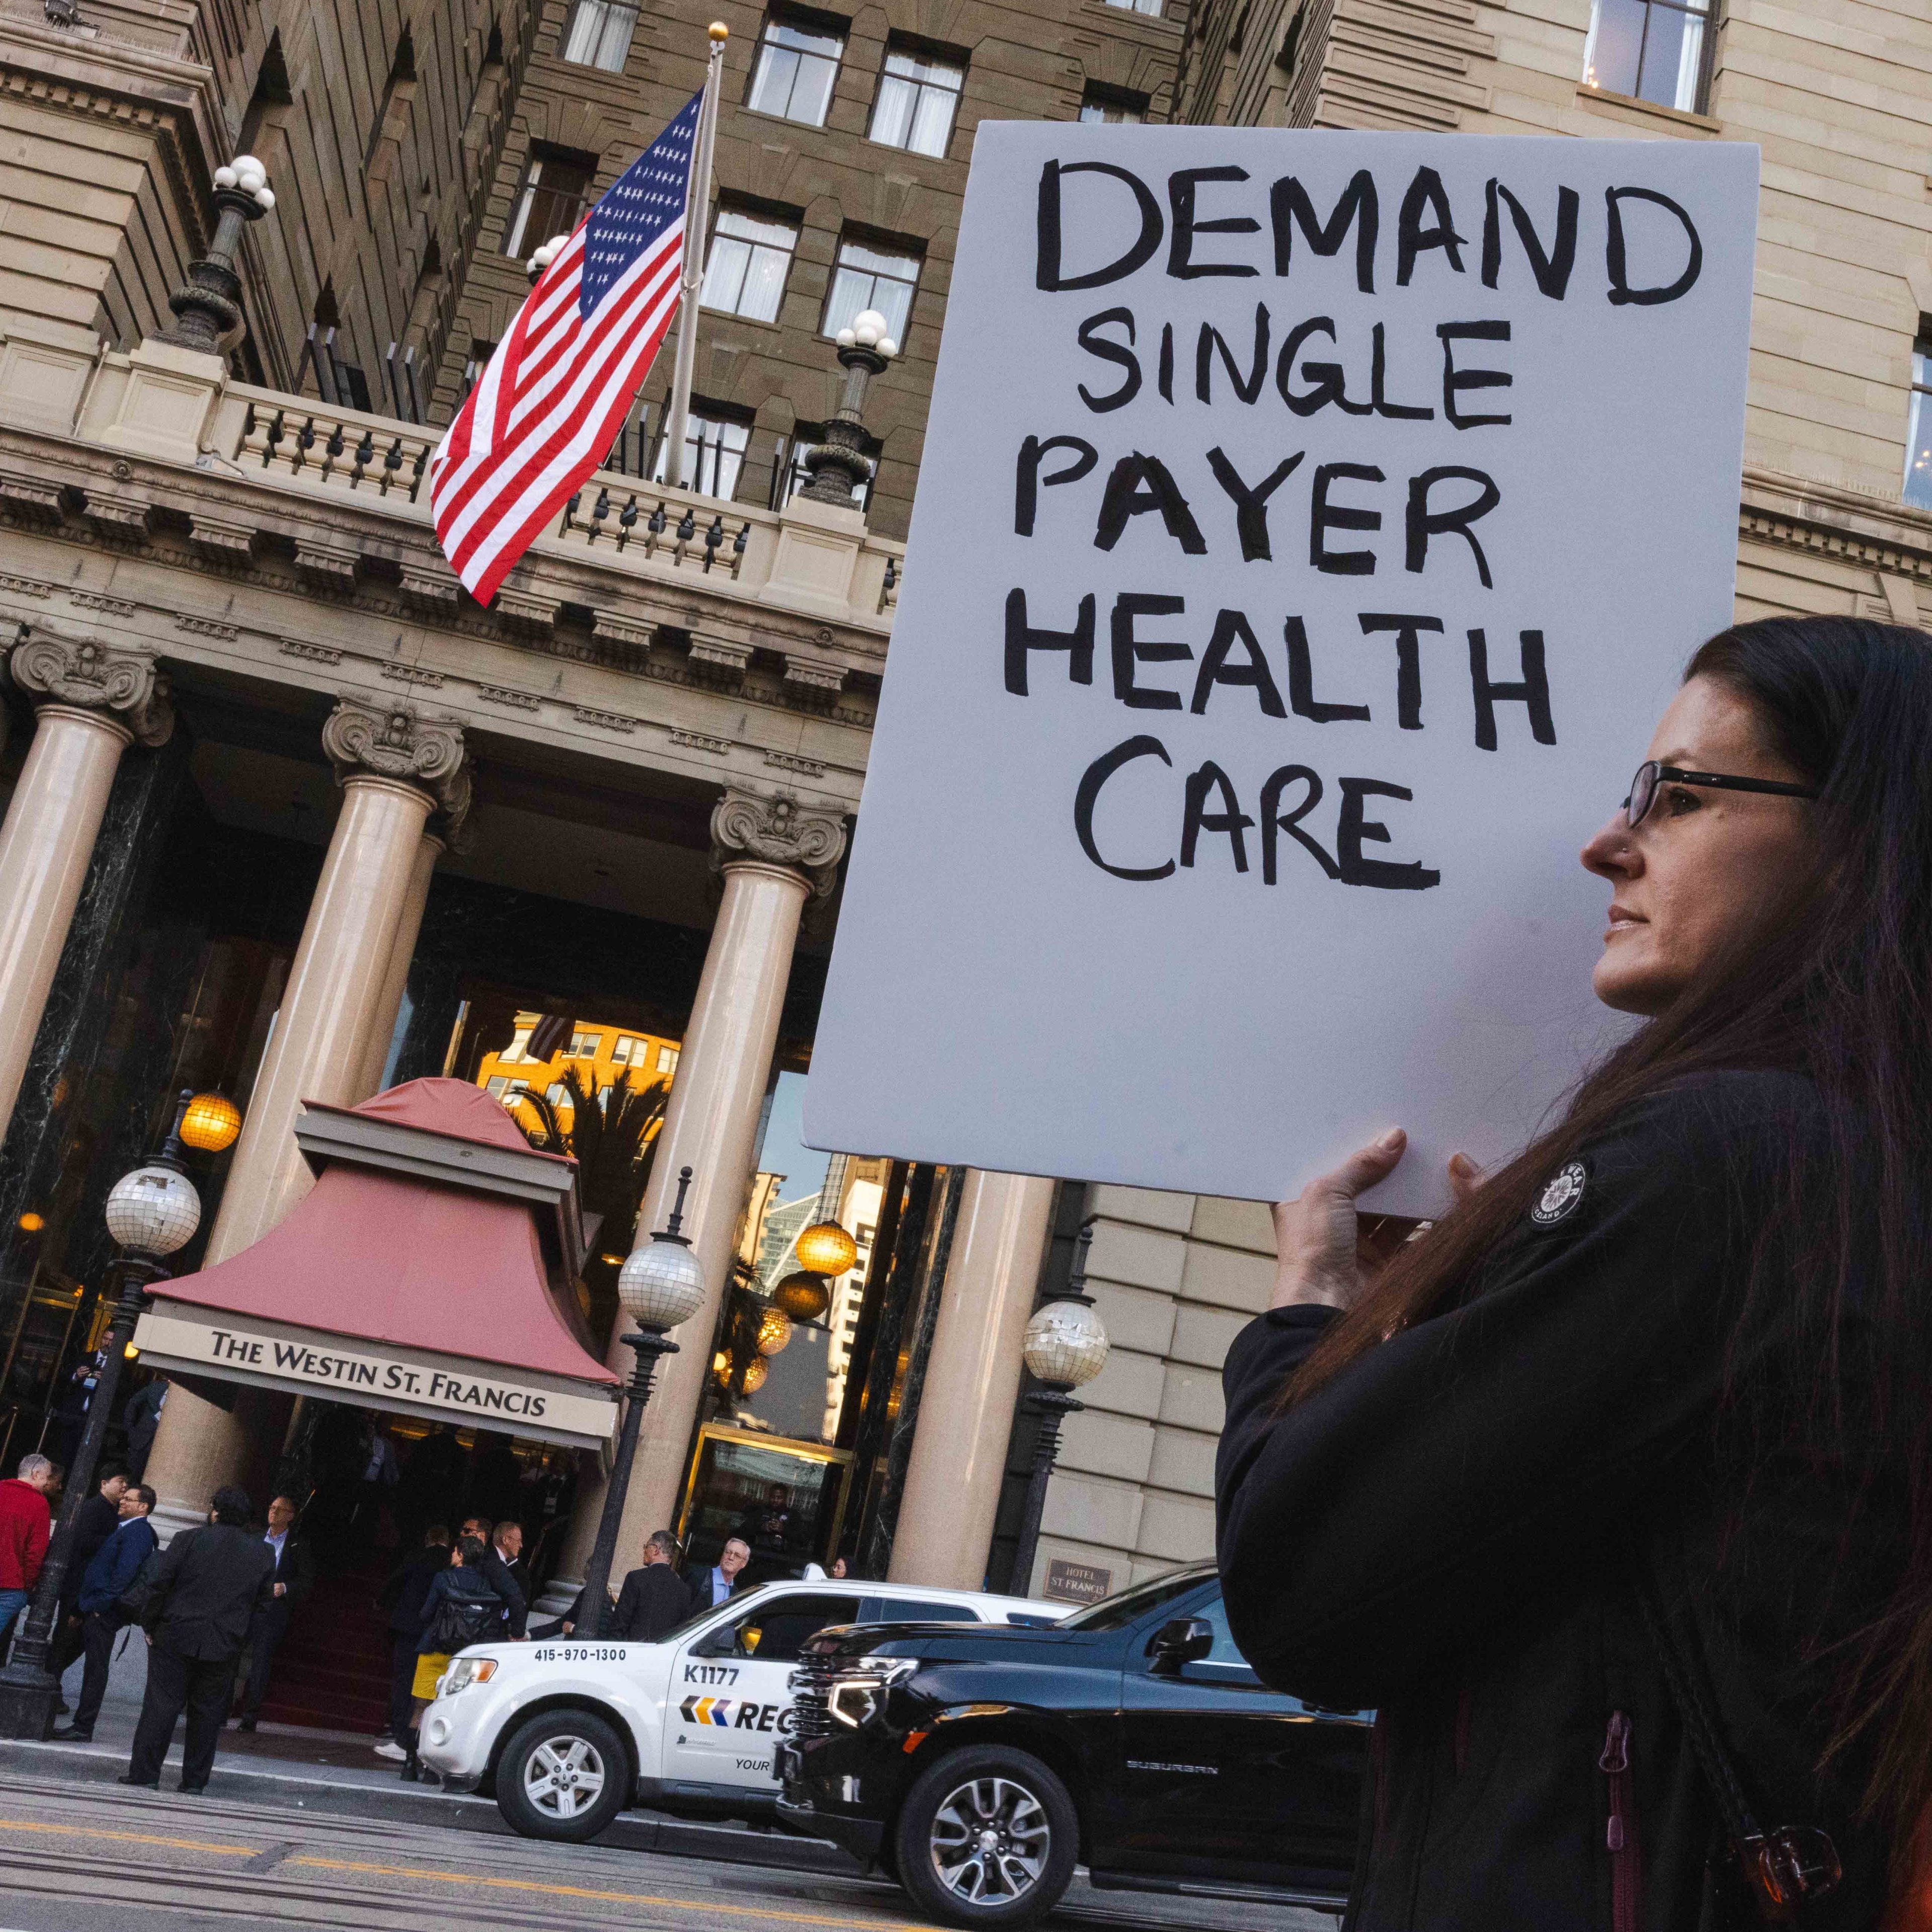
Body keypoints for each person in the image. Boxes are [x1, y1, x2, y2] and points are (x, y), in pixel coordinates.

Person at [1216, 616, 1931, 1930]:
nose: (1610, 842)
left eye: (1682, 794)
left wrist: (1309, 1311)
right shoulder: (1858, 1163)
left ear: (1858, 844)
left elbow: (1300, 1593)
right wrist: (1501, 1301)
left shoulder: (1726, 1159)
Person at [124, 1484, 275, 1793]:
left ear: (215, 1511)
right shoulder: (262, 1552)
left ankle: (145, 1774)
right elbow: (262, 1606)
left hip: (176, 1633)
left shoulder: (188, 1539)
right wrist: (240, 1640)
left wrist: (149, 1625)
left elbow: (160, 1586)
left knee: (160, 1706)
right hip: (223, 1643)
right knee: (207, 1715)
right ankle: (194, 1781)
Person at [52, 1482, 157, 1743]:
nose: (122, 1500)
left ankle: (83, 1726)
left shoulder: (139, 1532)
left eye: (129, 1499)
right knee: (59, 1655)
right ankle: (50, 1704)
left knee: (95, 1670)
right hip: (92, 1608)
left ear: (143, 1506)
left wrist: (100, 1608)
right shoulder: (128, 1529)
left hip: (103, 1612)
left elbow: (124, 1573)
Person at [402, 1534, 503, 1783]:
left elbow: (426, 1613)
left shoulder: (443, 1578)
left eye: (454, 1551)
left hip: (435, 1648)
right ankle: (434, 1771)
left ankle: (410, 1765)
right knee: (452, 1711)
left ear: (459, 1555)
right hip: (464, 1658)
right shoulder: (484, 1584)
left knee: (421, 1708)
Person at [234, 1493, 315, 1731]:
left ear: (291, 1516)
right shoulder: (255, 1537)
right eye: (271, 1508)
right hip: (245, 1606)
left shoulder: (298, 1545)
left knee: (260, 1664)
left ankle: (250, 1717)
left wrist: (286, 1587)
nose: (273, 1512)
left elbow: (306, 1580)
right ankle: (219, 1711)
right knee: (230, 1657)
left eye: (280, 1510)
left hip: (272, 1611)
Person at [373, 1523, 451, 1762]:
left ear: (428, 1539)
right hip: (437, 1633)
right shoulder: (451, 1561)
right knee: (428, 1687)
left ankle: (400, 1733)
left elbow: (396, 1580)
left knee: (404, 1681)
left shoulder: (417, 1555)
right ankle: (419, 1737)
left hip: (409, 1627)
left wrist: (383, 1602)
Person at [49, 1468, 127, 1690]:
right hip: (77, 1585)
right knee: (66, 1637)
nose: (124, 1486)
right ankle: (51, 1683)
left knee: (77, 1639)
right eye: (120, 1480)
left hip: (89, 1588)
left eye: (126, 1483)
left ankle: (50, 1677)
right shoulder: (94, 1508)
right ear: (104, 1483)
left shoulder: (113, 1512)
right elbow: (84, 1542)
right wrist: (116, 1542)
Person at [0, 1453, 54, 1648]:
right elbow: (36, 1553)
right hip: (10, 1584)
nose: (47, 1483)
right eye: (47, 1477)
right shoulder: (38, 1503)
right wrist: (28, 1585)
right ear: (36, 1474)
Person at [608, 1532, 693, 1642]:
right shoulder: (684, 1589)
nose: (644, 1550)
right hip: (663, 1655)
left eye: (646, 1547)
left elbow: (619, 1623)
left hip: (633, 1651)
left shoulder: (636, 1578)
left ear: (656, 1550)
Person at [477, 1518, 528, 1641]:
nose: (521, 1545)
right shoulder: (493, 1563)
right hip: (484, 1631)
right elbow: (515, 1596)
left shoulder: (488, 1557)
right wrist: (518, 1633)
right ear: (505, 1540)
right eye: (519, 1540)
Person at [684, 1537, 749, 1611]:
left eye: (737, 1556)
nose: (731, 1557)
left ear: (744, 1564)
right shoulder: (699, 1577)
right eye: (728, 1552)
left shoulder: (735, 1594)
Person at [122, 1377, 167, 1482]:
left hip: (164, 1445)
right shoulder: (156, 1387)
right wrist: (130, 1428)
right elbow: (134, 1403)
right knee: (131, 1476)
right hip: (141, 1440)